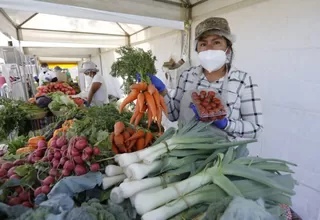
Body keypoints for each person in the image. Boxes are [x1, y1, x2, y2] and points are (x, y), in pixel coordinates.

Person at [145, 17, 263, 140]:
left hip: (221, 155)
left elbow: (256, 128)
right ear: (198, 49)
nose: (209, 48)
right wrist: (162, 92)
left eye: (216, 42)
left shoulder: (243, 80)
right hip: (184, 148)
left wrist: (227, 124)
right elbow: (173, 115)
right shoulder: (187, 75)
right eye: (203, 44)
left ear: (228, 49)